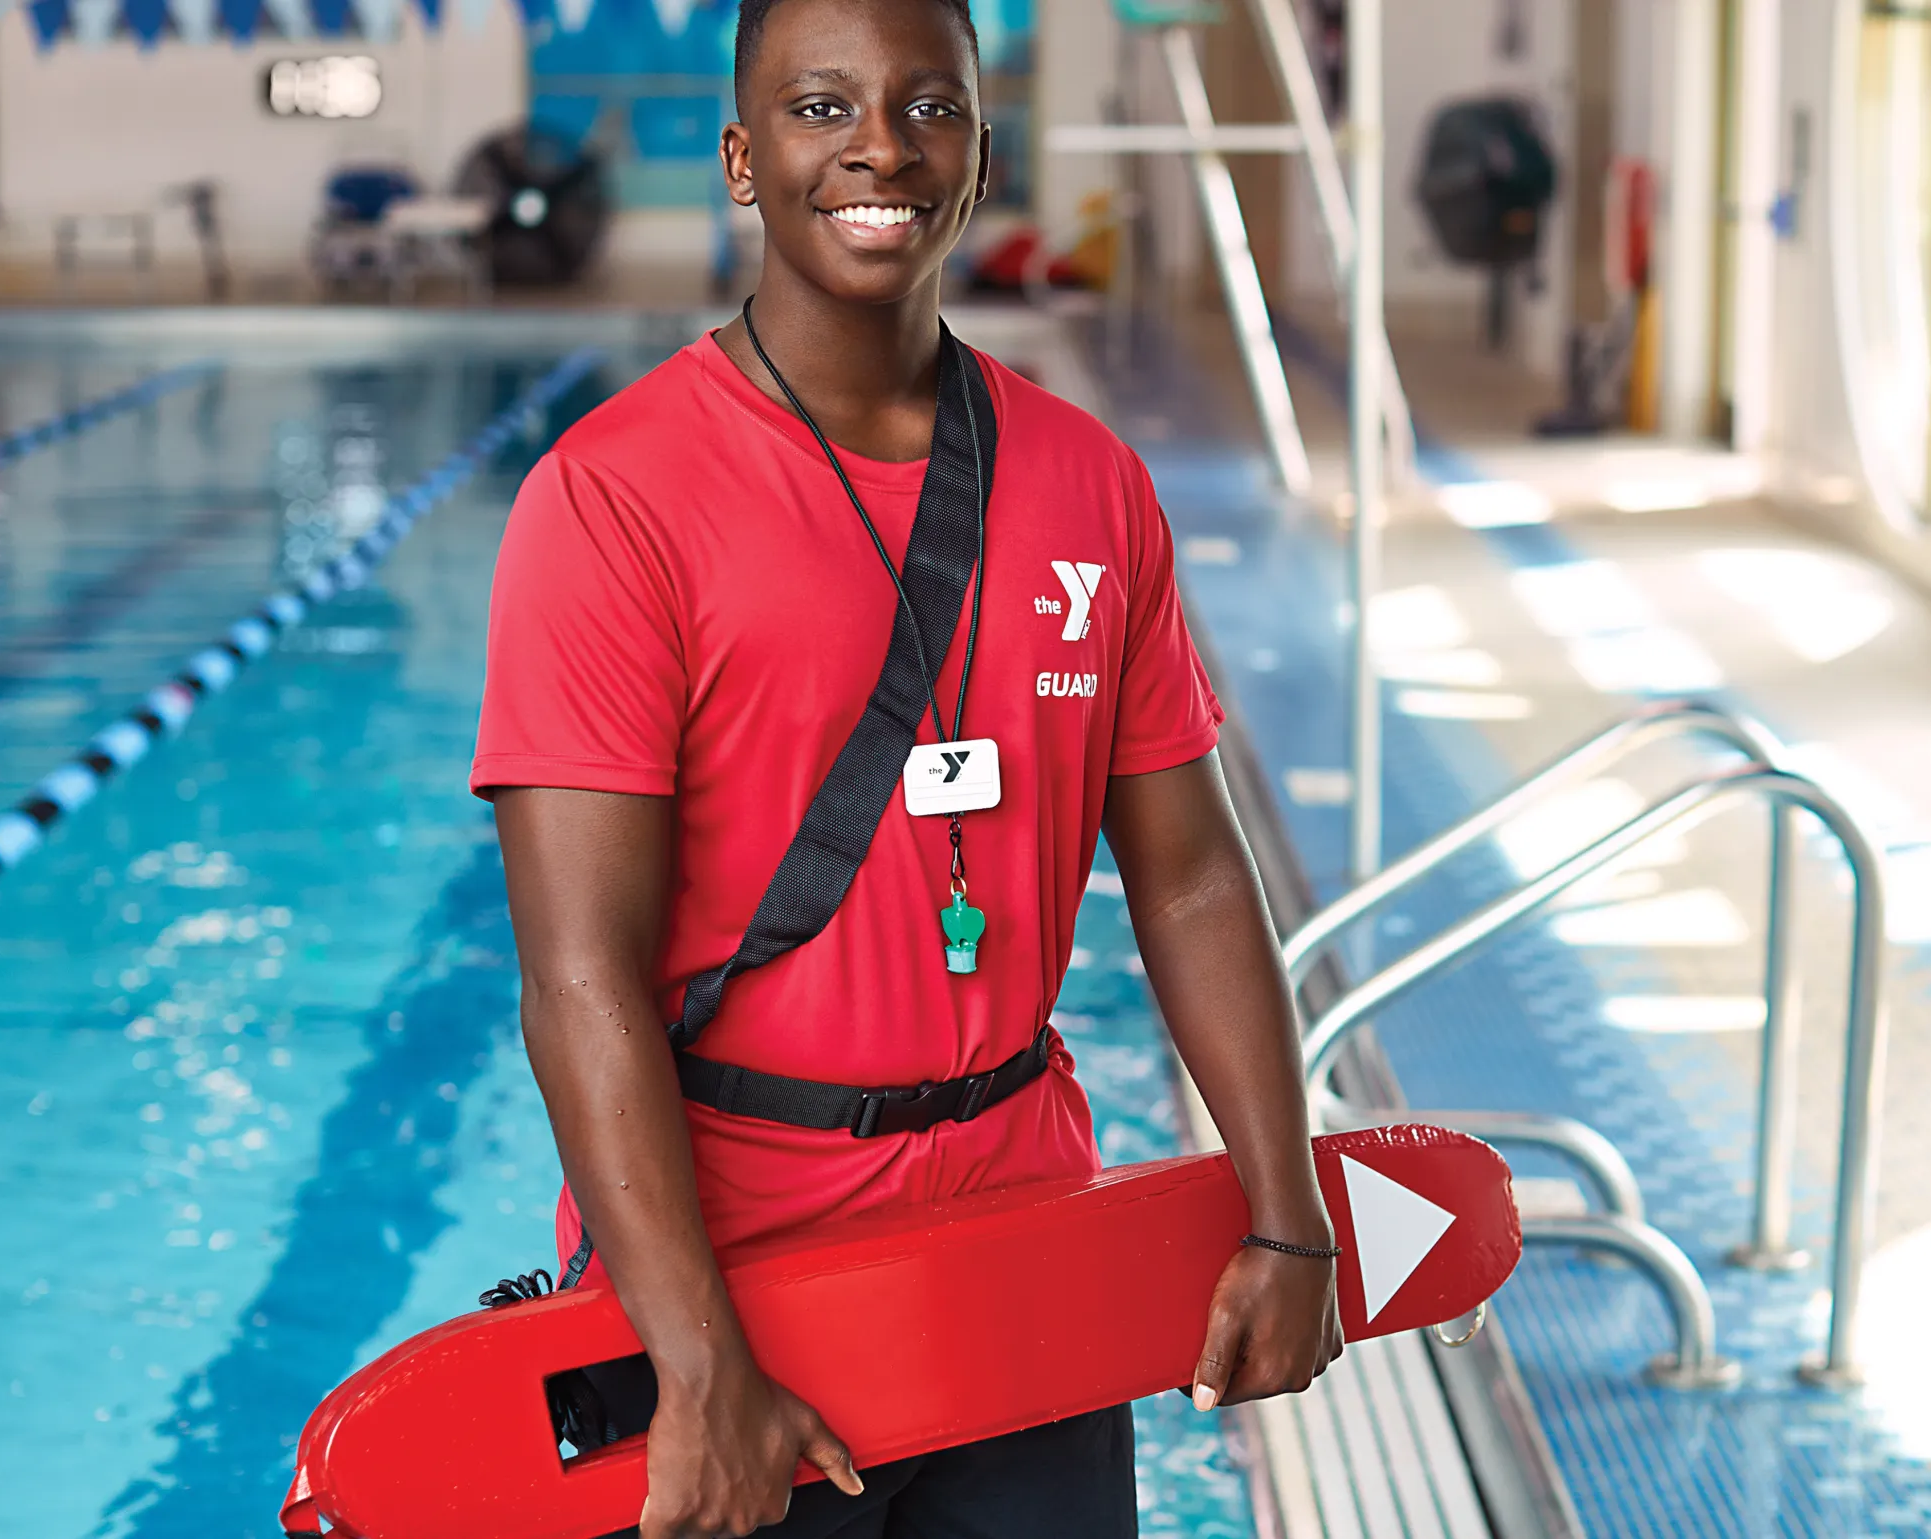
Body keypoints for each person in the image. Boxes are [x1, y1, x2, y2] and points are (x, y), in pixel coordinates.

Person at [471, 0, 1340, 1534]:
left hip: (1023, 1266)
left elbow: (1195, 870)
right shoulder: (612, 501)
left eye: (926, 105)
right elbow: (578, 973)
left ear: (980, 156)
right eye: (820, 108)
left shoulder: (1090, 482)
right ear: (743, 160)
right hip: (744, 1275)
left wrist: (1289, 1217)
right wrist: (695, 1358)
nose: (878, 142)